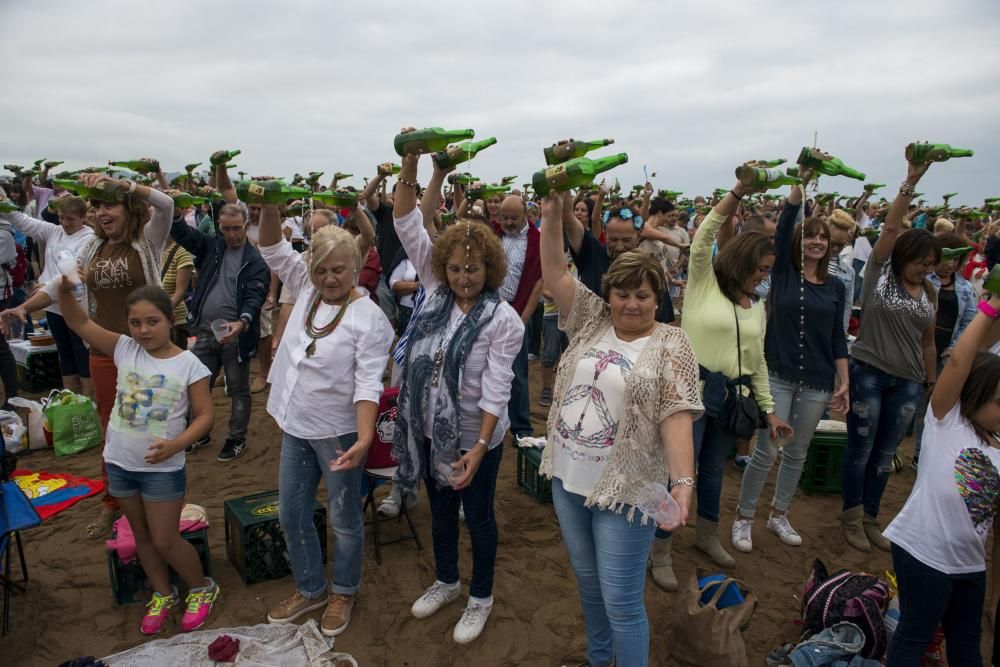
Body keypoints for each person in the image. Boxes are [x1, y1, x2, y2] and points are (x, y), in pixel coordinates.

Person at [539, 191, 701, 667]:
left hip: (631, 491)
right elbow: (553, 273)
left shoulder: (671, 343)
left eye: (642, 296)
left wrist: (683, 484)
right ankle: (598, 658)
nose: (631, 305)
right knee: (589, 585)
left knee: (622, 601)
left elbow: (677, 414)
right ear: (608, 295)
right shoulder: (590, 319)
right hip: (568, 478)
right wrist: (552, 213)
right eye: (622, 294)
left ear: (658, 298)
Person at [391, 138, 523, 645]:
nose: (463, 278)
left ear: (489, 268)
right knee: (440, 508)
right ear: (442, 266)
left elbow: (497, 388)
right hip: (427, 424)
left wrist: (478, 445)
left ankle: (481, 595)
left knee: (481, 517)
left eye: (473, 269)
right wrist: (414, 164)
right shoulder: (435, 290)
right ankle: (447, 579)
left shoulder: (502, 319)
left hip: (476, 435)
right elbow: (407, 221)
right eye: (455, 268)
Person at [3, 171, 175, 540]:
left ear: (128, 208)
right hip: (102, 351)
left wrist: (127, 184)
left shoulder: (148, 240)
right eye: (96, 206)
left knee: (147, 425)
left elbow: (166, 204)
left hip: (146, 352)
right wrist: (24, 309)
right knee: (112, 429)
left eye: (108, 204)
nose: (101, 212)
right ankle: (113, 504)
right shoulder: (92, 247)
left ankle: (152, 502)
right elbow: (57, 283)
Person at [256, 197, 393, 638]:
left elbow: (370, 383)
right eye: (321, 270)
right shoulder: (308, 289)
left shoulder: (367, 318)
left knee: (344, 519)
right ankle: (311, 587)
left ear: (355, 267)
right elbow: (273, 247)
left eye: (339, 270)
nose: (329, 279)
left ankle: (344, 591)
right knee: (291, 515)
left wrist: (365, 436)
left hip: (338, 433)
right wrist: (270, 205)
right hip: (295, 425)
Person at [648, 178, 792, 588]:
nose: (763, 277)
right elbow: (705, 235)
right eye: (761, 269)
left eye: (768, 271)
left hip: (731, 399)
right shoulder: (703, 282)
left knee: (712, 470)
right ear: (744, 261)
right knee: (679, 471)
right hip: (689, 391)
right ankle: (660, 548)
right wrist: (738, 192)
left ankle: (707, 535)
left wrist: (769, 410)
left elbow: (757, 360)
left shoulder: (755, 306)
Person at [55, 280, 216, 635]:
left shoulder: (189, 364)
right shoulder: (124, 348)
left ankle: (202, 587)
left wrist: (177, 445)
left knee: (164, 539)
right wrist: (64, 290)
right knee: (140, 536)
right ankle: (163, 592)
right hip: (119, 463)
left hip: (162, 469)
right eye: (135, 323)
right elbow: (79, 322)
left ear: (170, 319)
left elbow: (205, 416)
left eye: (152, 321)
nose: (143, 330)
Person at [732, 166, 849, 553]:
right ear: (799, 241)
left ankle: (779, 514)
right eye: (810, 236)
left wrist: (842, 379)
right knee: (766, 450)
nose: (817, 242)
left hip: (817, 380)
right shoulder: (782, 272)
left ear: (831, 245)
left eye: (823, 238)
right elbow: (783, 226)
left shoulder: (837, 286)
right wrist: (801, 181)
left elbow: (837, 335)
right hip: (777, 374)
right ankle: (744, 517)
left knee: (797, 451)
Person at [882, 294, 1000, 666]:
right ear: (975, 393)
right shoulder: (946, 420)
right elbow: (962, 361)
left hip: (969, 564)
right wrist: (992, 306)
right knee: (915, 634)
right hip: (923, 553)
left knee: (966, 644)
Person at [840, 155, 940, 553]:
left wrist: (930, 383)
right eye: (920, 262)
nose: (925, 270)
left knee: (885, 456)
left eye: (931, 265)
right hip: (870, 373)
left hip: (909, 383)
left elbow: (928, 342)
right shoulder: (880, 276)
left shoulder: (930, 293)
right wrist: (910, 181)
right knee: (860, 450)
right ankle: (851, 516)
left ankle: (871, 518)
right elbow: (893, 226)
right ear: (903, 257)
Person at [169, 201, 270, 462]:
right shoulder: (213, 246)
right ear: (220, 228)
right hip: (204, 331)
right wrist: (176, 213)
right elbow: (184, 235)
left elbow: (255, 297)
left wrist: (242, 322)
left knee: (238, 388)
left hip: (236, 337)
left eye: (237, 228)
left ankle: (236, 438)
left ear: (246, 226)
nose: (232, 234)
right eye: (226, 228)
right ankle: (198, 432)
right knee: (198, 385)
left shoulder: (255, 260)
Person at [0, 192, 95, 396]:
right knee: (63, 350)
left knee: (81, 351)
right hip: (51, 305)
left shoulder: (89, 239)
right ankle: (69, 395)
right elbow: (25, 222)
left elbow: (68, 273)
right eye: (61, 217)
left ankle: (88, 398)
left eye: (70, 219)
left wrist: (41, 288)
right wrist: (5, 205)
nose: (64, 223)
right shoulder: (55, 231)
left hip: (76, 305)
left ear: (83, 218)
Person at [912, 233, 977, 468]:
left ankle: (920, 454)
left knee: (930, 407)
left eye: (956, 259)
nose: (950, 264)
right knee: (910, 403)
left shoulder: (966, 289)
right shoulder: (922, 281)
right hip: (916, 350)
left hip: (944, 354)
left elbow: (969, 321)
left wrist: (955, 347)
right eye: (946, 257)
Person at [160, 238, 194, 349]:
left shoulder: (181, 252)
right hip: (152, 320)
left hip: (175, 321)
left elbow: (180, 292)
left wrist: (159, 312)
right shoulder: (148, 250)